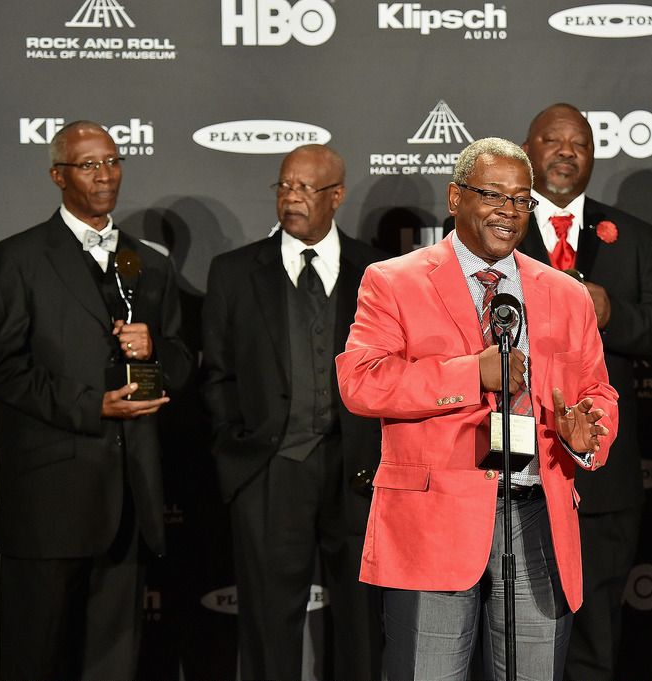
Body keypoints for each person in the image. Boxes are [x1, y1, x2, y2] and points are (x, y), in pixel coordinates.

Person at [336, 137, 619, 681]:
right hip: (431, 520)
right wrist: (473, 374)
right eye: (493, 195)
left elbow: (597, 393)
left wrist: (589, 436)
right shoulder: (393, 281)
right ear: (454, 196)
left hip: (537, 516)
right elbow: (361, 383)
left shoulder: (565, 294)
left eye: (520, 200)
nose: (508, 212)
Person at [0, 120, 192, 681]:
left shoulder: (149, 263)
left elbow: (181, 359)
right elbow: (0, 368)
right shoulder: (16, 259)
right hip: (48, 503)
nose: (106, 175)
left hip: (128, 501)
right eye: (90, 164)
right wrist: (91, 404)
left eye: (113, 162)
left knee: (113, 665)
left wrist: (156, 353)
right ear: (58, 176)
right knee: (37, 660)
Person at [202, 144, 386, 681]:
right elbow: (217, 374)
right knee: (266, 626)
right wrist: (239, 449)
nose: (291, 197)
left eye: (306, 188)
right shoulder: (234, 273)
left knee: (362, 628)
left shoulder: (378, 272)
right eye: (284, 186)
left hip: (356, 472)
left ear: (337, 196)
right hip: (269, 470)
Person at [519, 102, 652, 680]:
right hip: (513, 470)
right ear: (527, 148)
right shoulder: (491, 226)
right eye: (552, 139)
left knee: (594, 641)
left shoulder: (631, 237)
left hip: (602, 479)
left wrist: (612, 310)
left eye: (580, 143)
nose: (567, 151)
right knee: (513, 640)